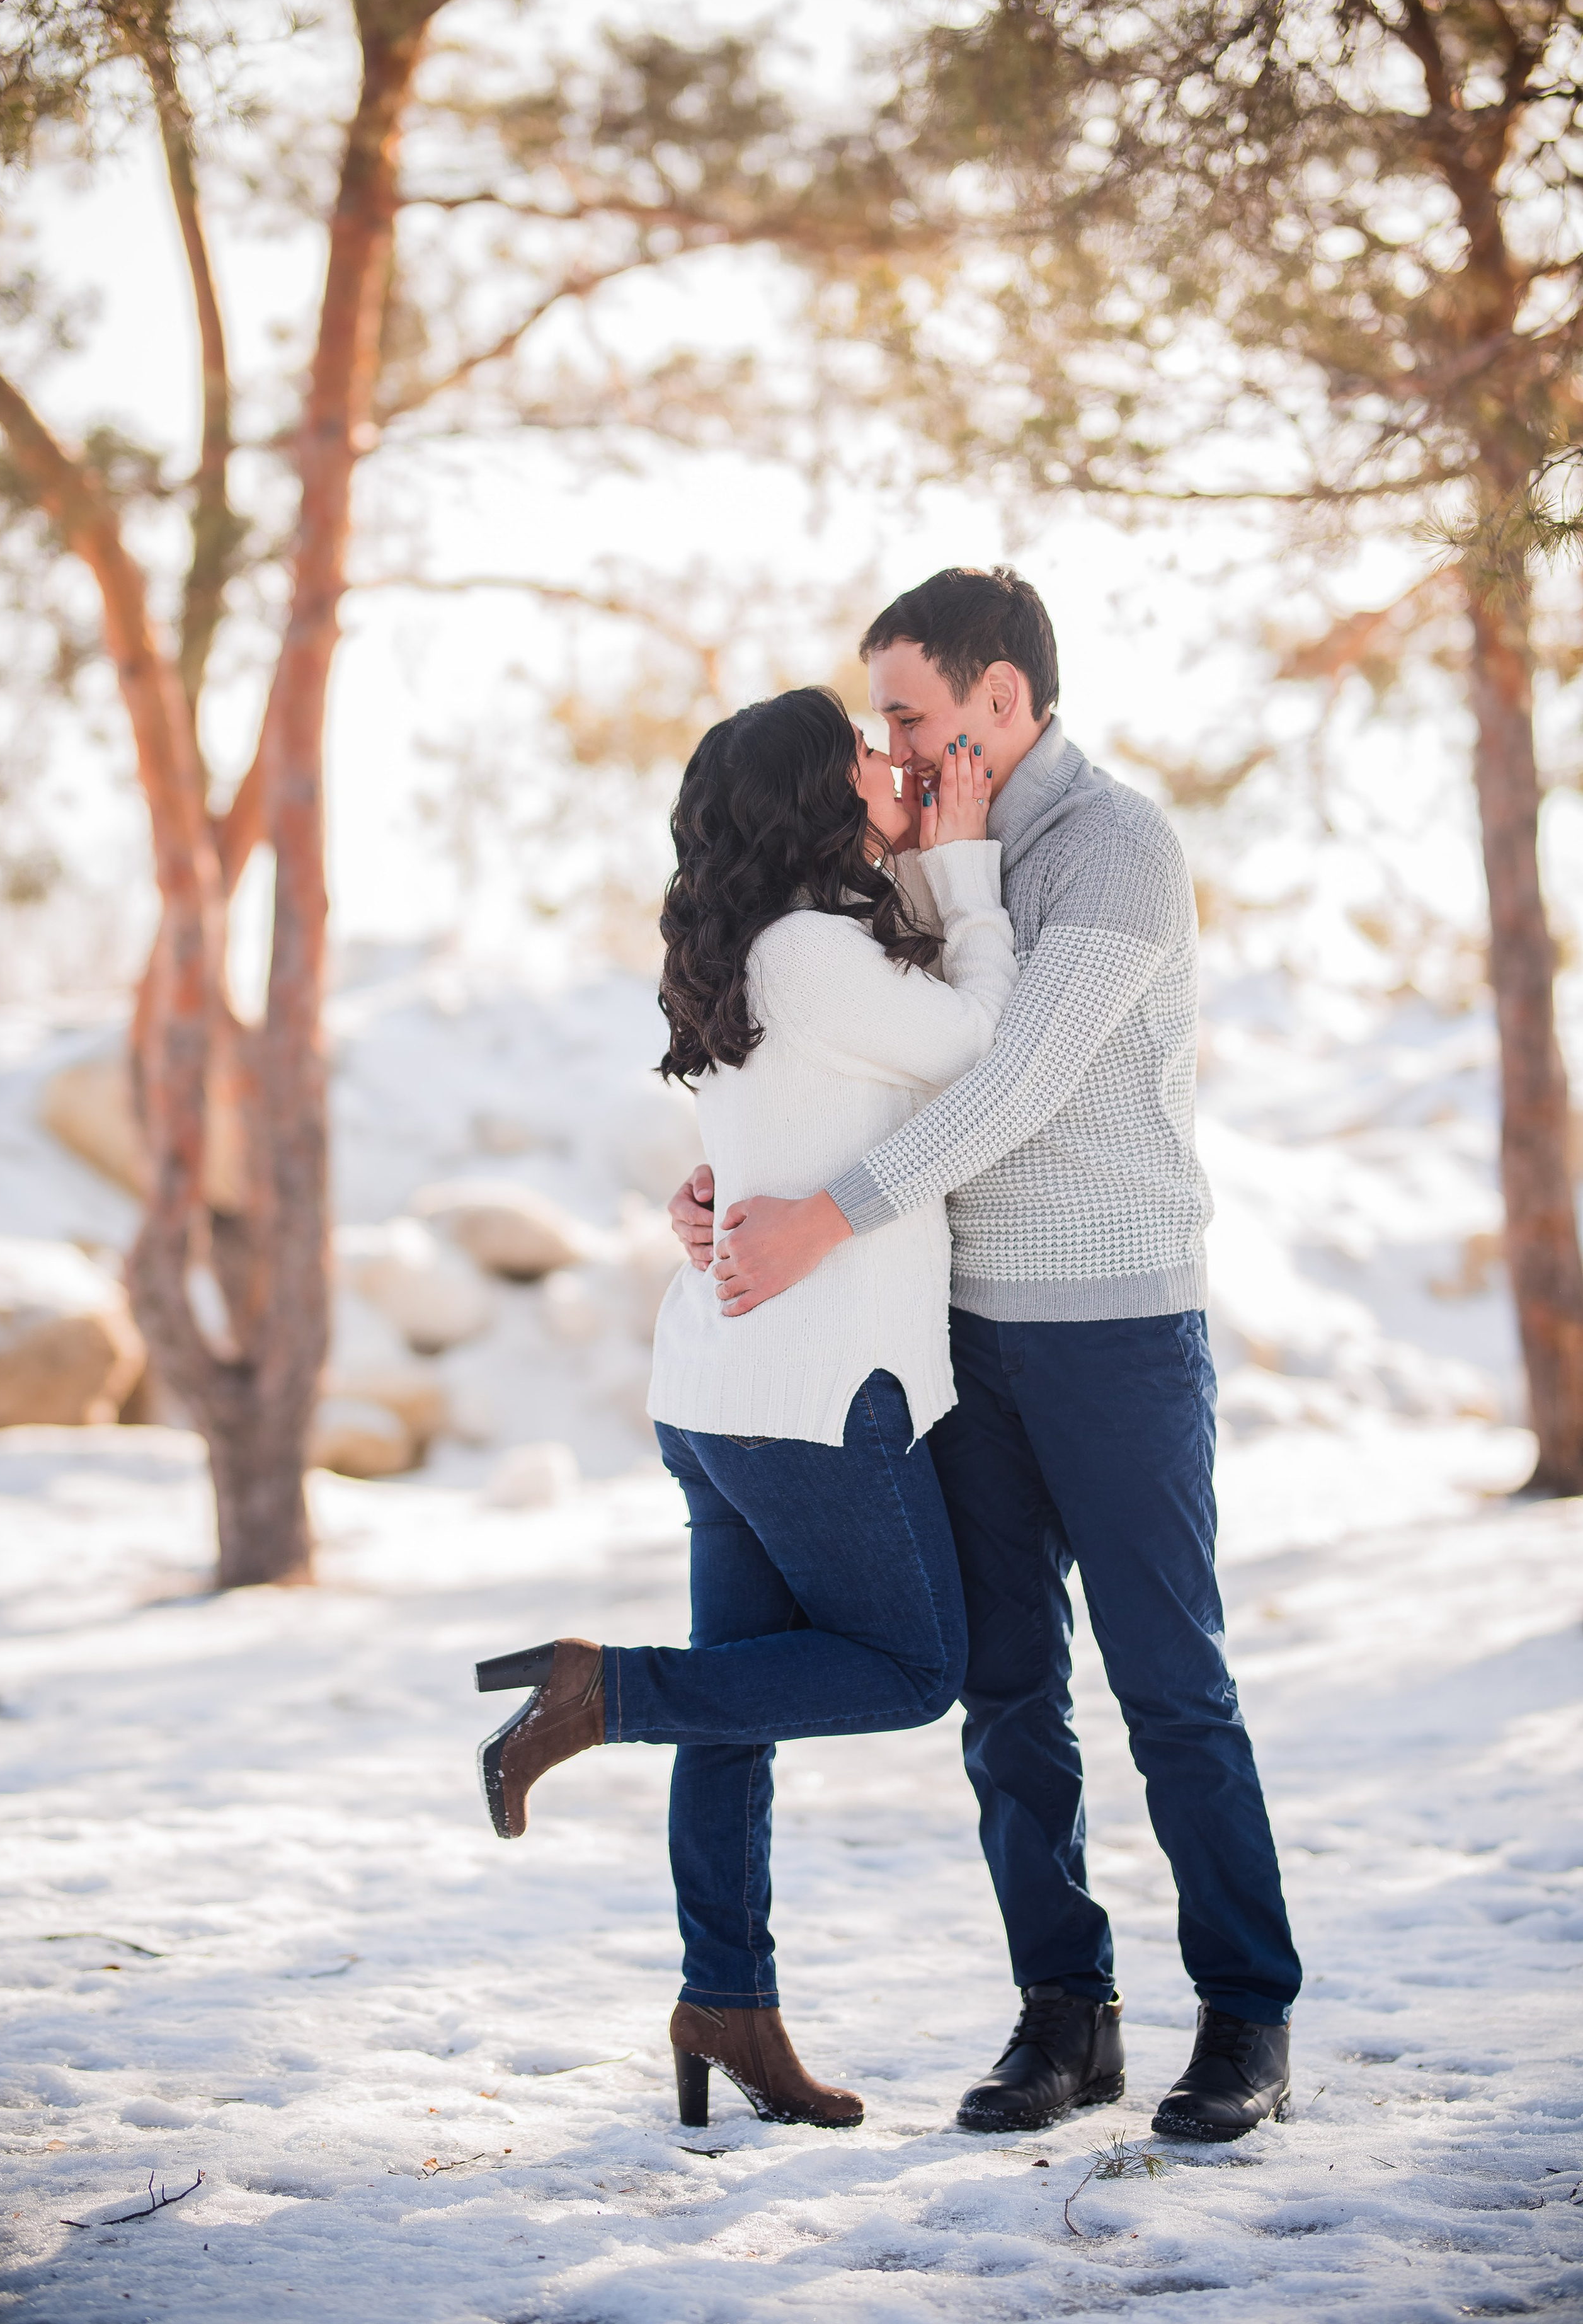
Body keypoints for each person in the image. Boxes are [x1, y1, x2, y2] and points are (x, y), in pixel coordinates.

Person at [670, 568, 1301, 2144]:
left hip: (1112, 1328)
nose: (887, 744)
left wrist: (823, 1216)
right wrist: (723, 1181)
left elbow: (1010, 1077)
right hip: (953, 1334)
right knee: (1008, 1697)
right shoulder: (906, 849)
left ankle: (1244, 2013)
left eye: (908, 713)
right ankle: (1061, 2014)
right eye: (879, 720)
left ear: (1001, 699)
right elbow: (831, 1048)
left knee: (1169, 1686)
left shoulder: (1112, 850)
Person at [474, 685, 1017, 2132]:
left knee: (736, 1706)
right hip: (814, 1391)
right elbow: (986, 1043)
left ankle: (725, 1999)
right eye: (864, 751)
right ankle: (602, 1692)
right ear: (816, 795)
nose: (889, 762)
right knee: (913, 1668)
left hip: (723, 1385)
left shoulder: (743, 947)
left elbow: (786, 1128)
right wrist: (961, 863)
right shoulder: (812, 951)